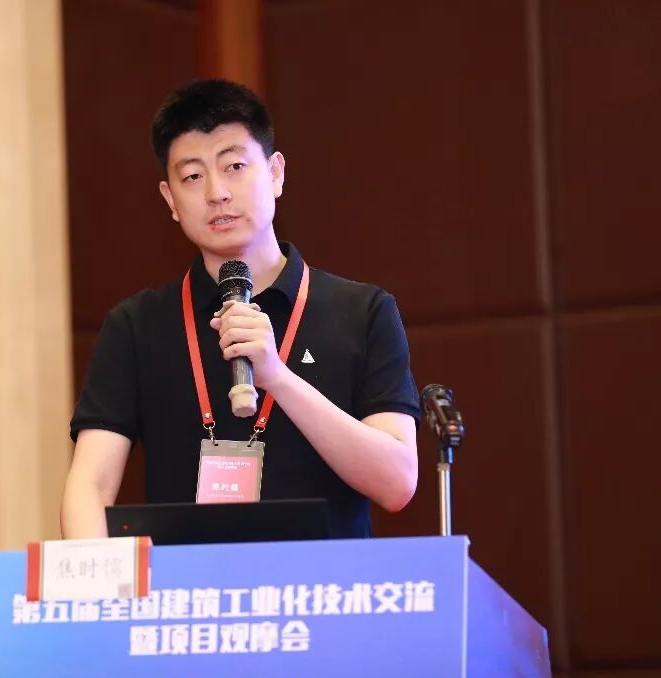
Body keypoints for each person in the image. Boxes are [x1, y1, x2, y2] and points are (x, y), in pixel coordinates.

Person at [61, 78, 420, 539]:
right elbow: (89, 486)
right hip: (187, 585)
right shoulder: (135, 327)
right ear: (170, 200)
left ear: (275, 173)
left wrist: (276, 377)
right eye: (193, 176)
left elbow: (396, 483)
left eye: (234, 166)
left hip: (322, 584)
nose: (217, 192)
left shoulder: (362, 312)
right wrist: (95, 578)